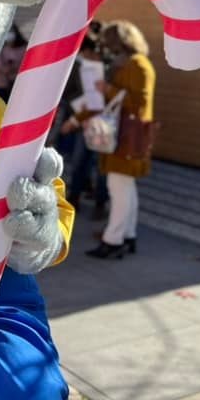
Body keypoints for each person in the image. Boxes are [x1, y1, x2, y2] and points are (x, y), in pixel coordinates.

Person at [85, 20, 156, 260]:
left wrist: (108, 90)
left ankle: (113, 240)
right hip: (125, 135)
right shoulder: (135, 63)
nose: (105, 48)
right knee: (125, 188)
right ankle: (127, 236)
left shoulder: (136, 64)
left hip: (126, 137)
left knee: (119, 189)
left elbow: (139, 103)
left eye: (108, 43)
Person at [57, 27, 108, 215]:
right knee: (81, 161)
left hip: (98, 121)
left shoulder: (103, 66)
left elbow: (102, 98)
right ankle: (76, 197)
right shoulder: (81, 66)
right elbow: (71, 93)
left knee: (98, 164)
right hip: (84, 120)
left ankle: (98, 201)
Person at [0, 24, 27, 102]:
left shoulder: (23, 47)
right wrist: (5, 69)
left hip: (17, 83)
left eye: (10, 31)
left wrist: (13, 67)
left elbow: (26, 62)